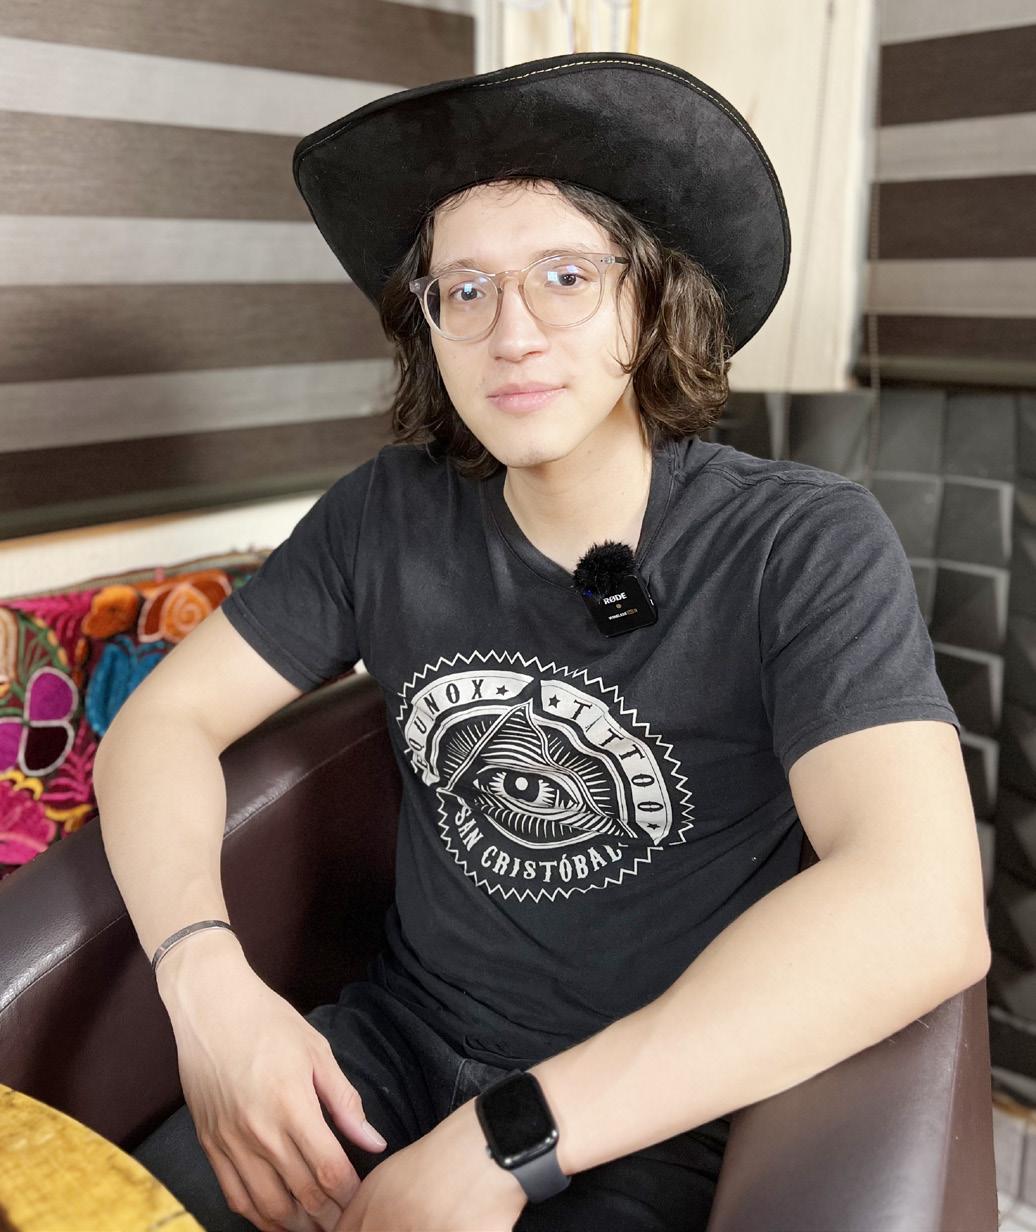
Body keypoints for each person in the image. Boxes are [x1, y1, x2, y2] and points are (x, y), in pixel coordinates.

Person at [98, 51, 987, 1232]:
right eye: (464, 289)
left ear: (649, 301)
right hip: (393, 1051)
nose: (510, 333)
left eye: (564, 277)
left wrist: (507, 1139)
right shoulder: (384, 513)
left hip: (645, 1113)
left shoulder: (799, 540)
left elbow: (919, 901)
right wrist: (205, 984)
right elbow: (161, 721)